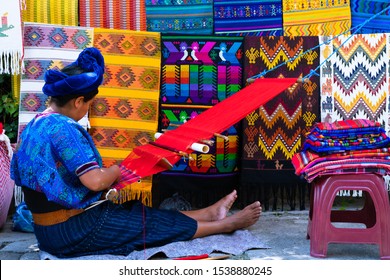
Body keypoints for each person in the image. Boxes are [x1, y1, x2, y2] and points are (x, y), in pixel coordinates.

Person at [10, 47, 262, 258]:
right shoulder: (64, 129)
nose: (87, 109)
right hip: (72, 231)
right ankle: (226, 224)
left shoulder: (35, 125)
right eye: (88, 104)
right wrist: (119, 169)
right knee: (147, 226)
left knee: (135, 213)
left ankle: (208, 214)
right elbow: (96, 181)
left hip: (49, 232)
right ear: (78, 101)